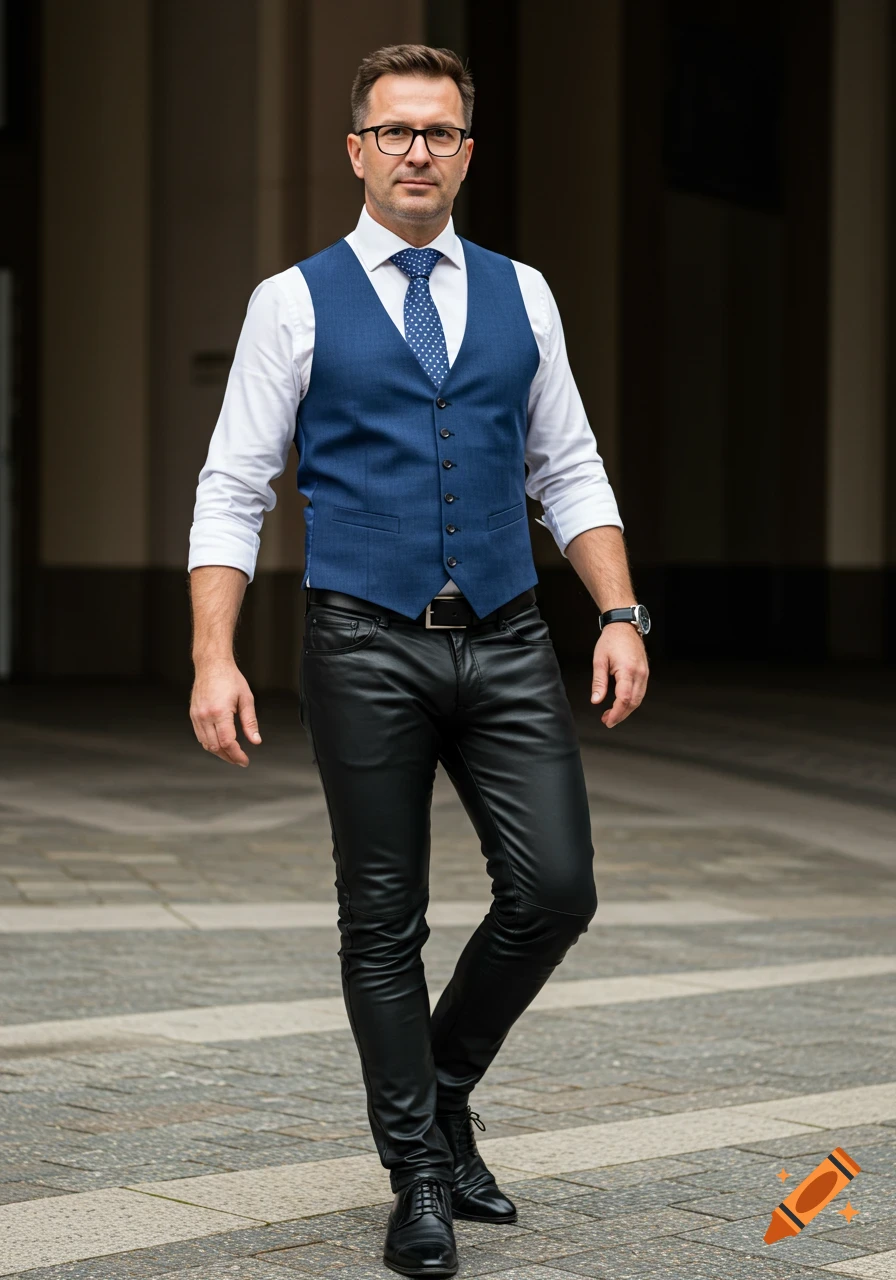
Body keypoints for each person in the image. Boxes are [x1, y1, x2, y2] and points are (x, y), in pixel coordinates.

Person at [188, 43, 650, 1279]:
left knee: (555, 888)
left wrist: (616, 611)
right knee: (381, 915)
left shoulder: (521, 292)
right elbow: (233, 487)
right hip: (361, 641)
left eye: (438, 132)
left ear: (465, 152)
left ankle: (440, 1091)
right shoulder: (292, 301)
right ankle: (418, 1174)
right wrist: (213, 655)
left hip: (507, 633)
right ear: (356, 151)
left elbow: (568, 465)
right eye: (393, 131)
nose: (416, 152)